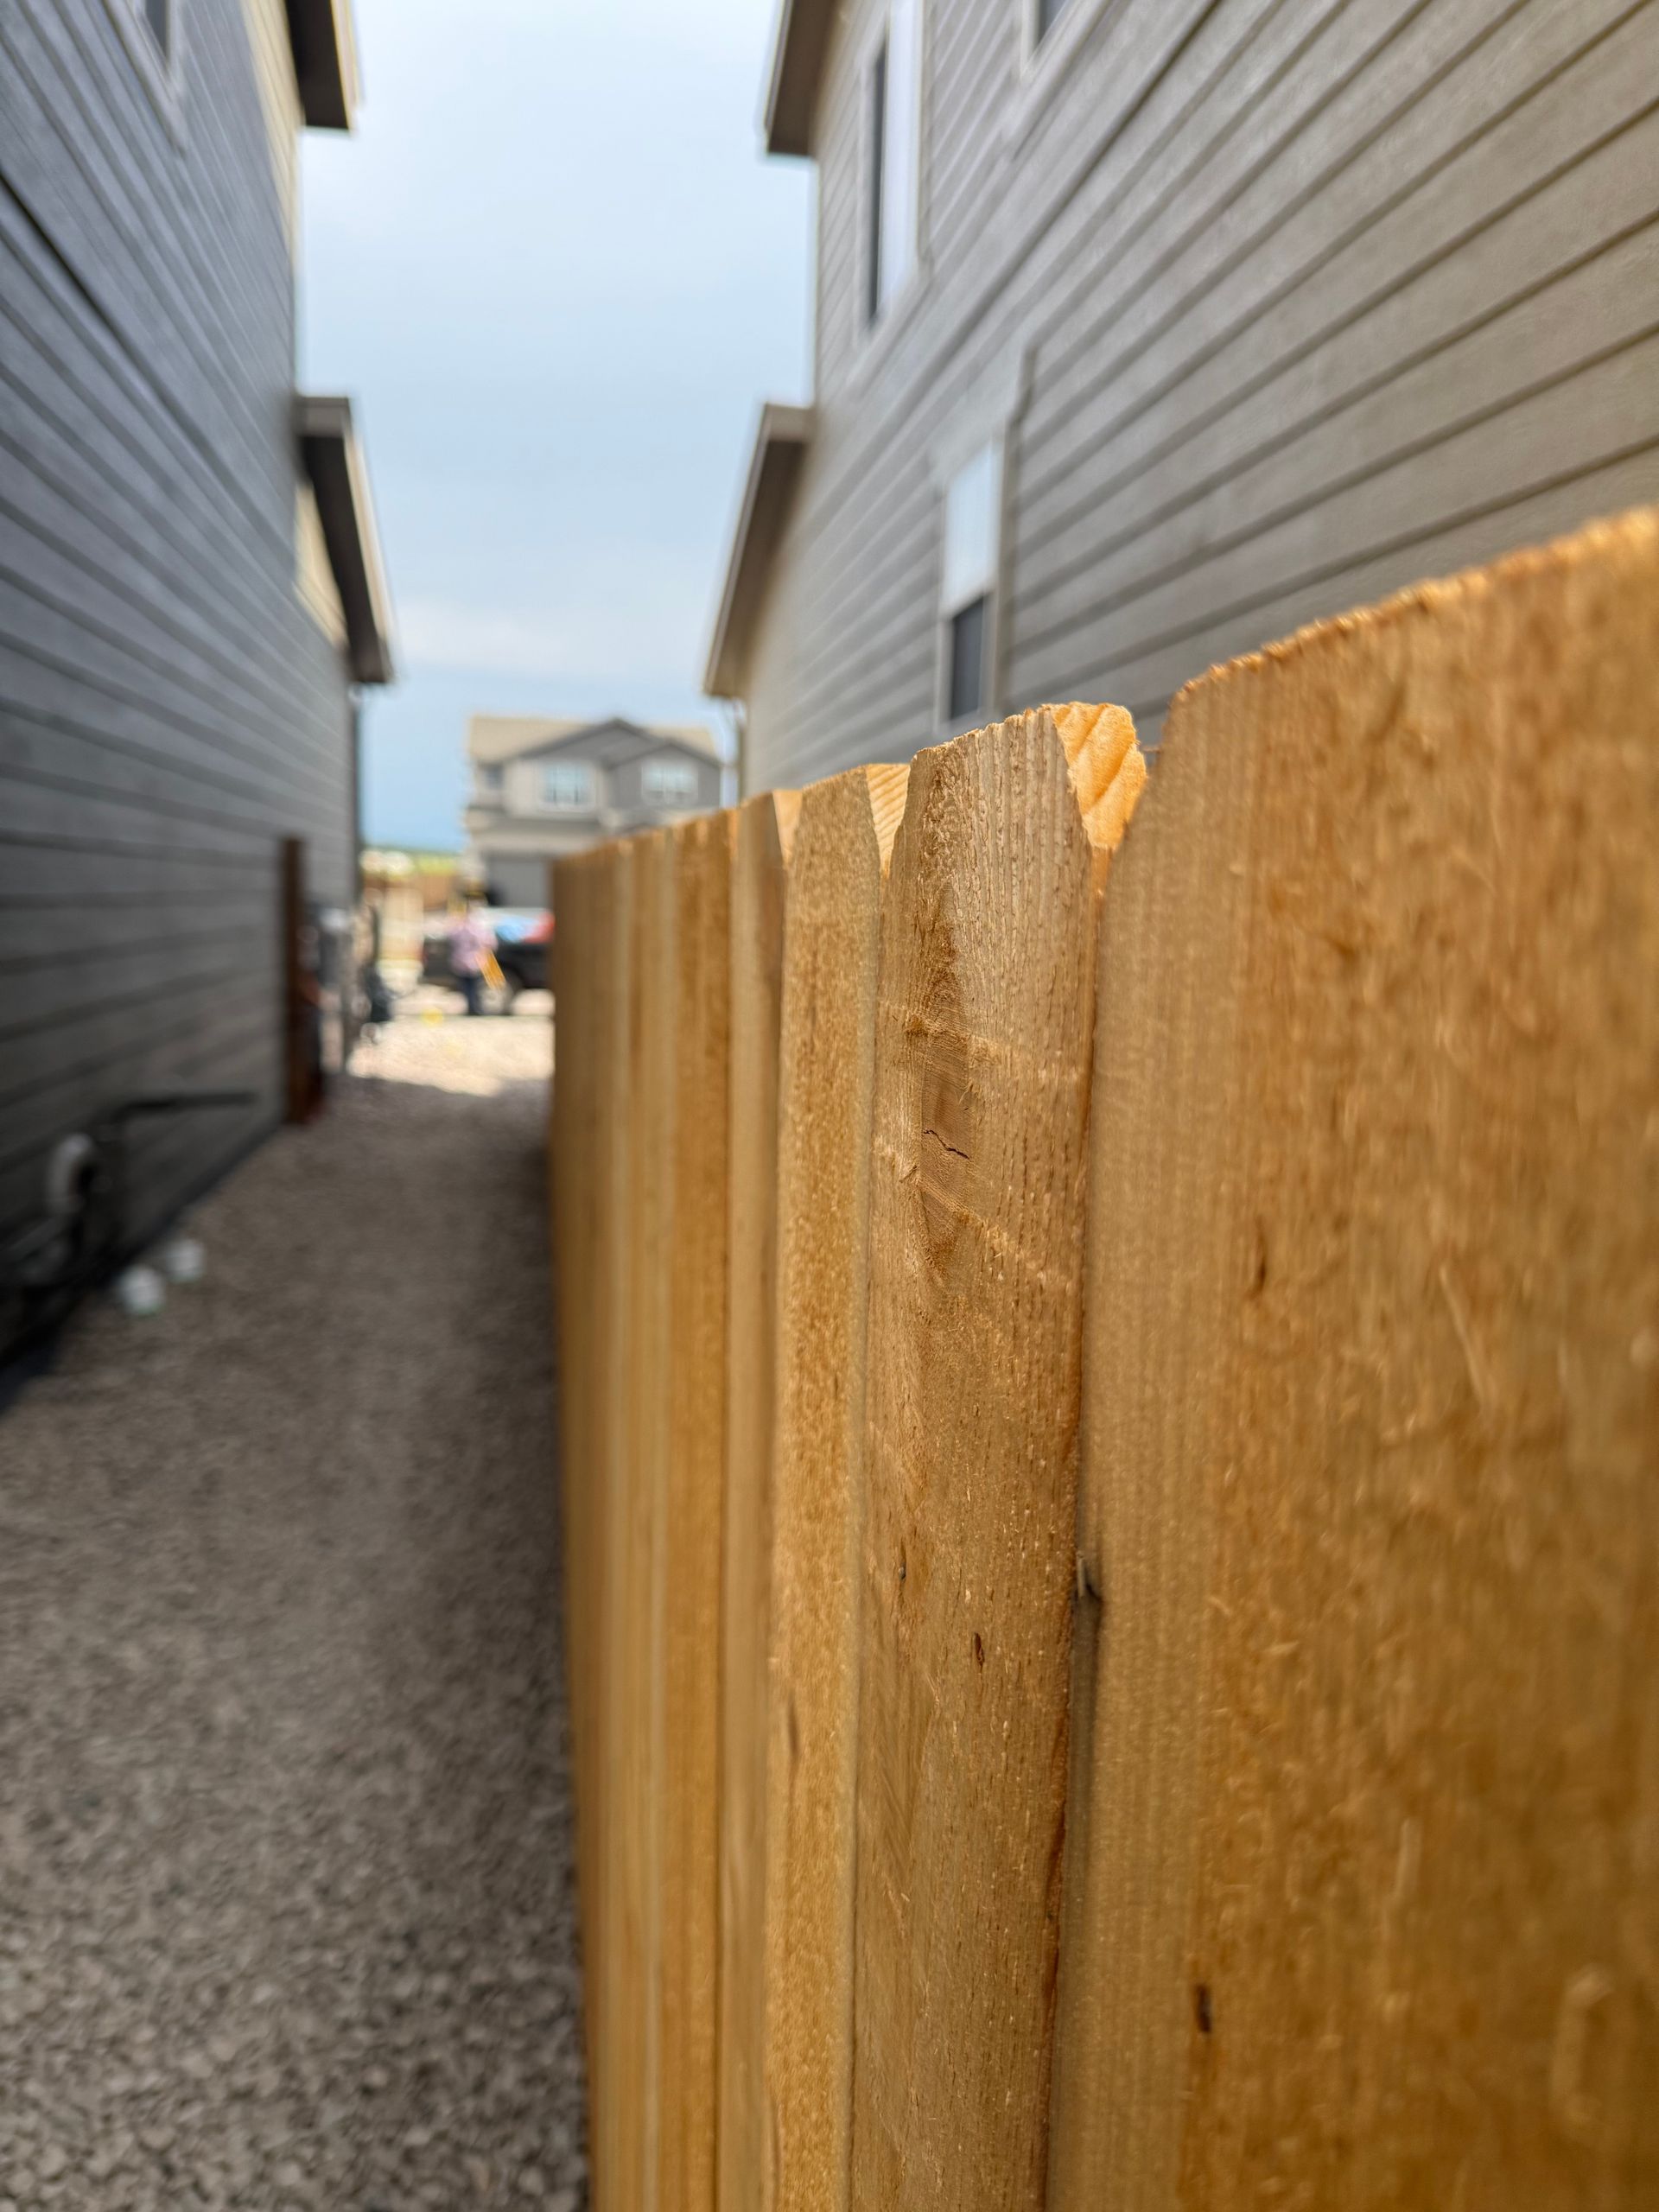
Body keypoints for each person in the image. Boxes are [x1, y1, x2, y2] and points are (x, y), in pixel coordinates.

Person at [448, 898, 497, 1017]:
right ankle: (475, 1008)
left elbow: (453, 939)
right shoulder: (479, 927)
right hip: (474, 961)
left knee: (469, 987)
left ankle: (473, 1008)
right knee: (474, 987)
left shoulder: (462, 927)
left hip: (465, 961)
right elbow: (489, 943)